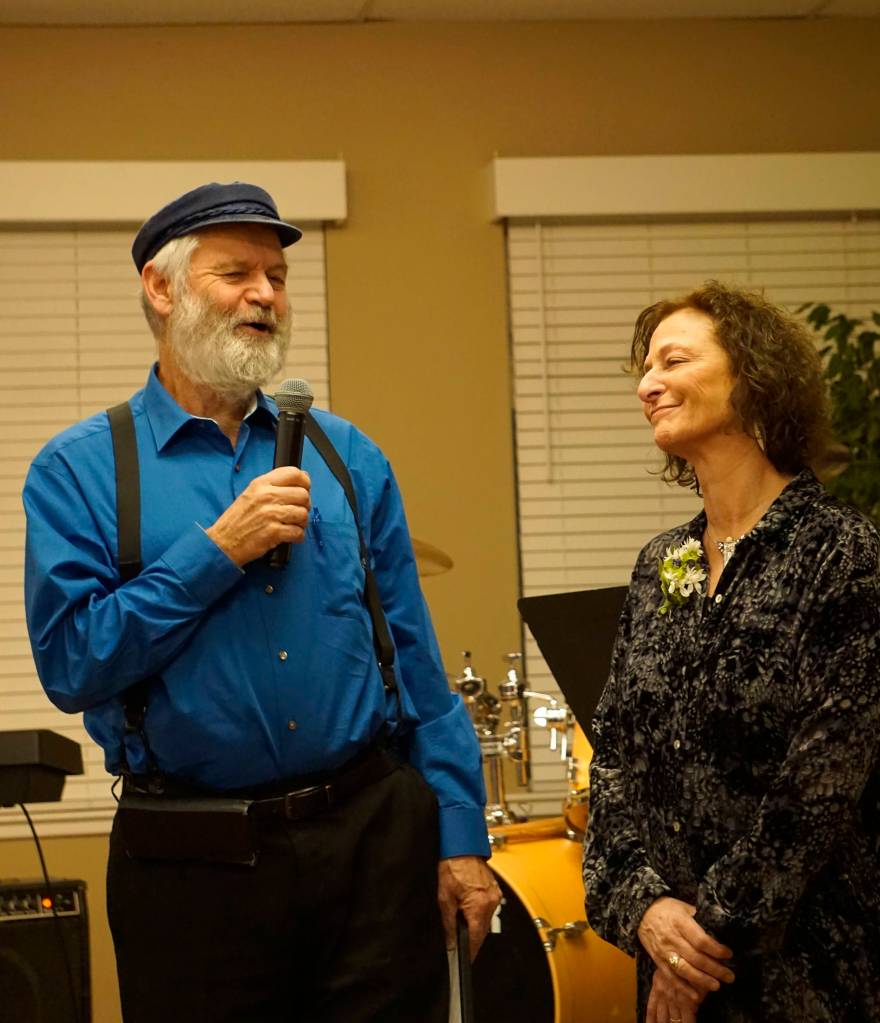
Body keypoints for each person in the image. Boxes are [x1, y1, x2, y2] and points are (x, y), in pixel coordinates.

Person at [23, 181, 500, 1023]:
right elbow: (72, 663)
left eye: (277, 276)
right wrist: (215, 552)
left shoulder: (348, 455)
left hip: (371, 848)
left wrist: (460, 835)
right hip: (190, 867)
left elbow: (417, 667)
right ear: (161, 289)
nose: (266, 295)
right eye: (237, 272)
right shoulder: (79, 471)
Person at [582, 280, 880, 1023]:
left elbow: (817, 795)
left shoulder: (844, 556)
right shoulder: (661, 563)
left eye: (673, 361)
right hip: (667, 970)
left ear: (752, 376)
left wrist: (699, 949)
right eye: (645, 370)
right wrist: (647, 913)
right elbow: (614, 761)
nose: (648, 385)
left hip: (806, 973)